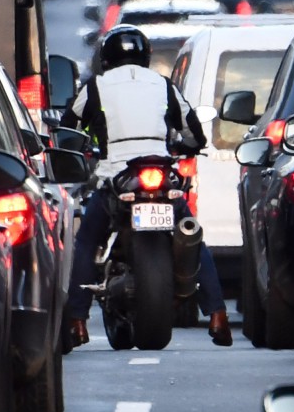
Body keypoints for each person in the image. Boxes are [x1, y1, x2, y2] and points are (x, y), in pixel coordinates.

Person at [60, 24, 233, 348]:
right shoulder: (163, 85)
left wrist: (80, 148)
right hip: (161, 173)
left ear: (106, 58)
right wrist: (187, 146)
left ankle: (77, 321)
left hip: (117, 175)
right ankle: (218, 315)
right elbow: (194, 132)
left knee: (86, 240)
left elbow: (67, 129)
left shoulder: (95, 87)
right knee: (192, 234)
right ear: (146, 56)